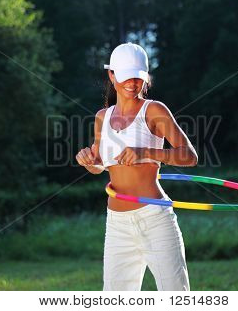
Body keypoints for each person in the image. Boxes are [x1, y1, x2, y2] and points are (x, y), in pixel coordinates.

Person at [75, 42, 198, 291]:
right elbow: (101, 166)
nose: (132, 84)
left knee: (175, 296)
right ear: (111, 75)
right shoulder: (102, 117)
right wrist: (89, 161)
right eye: (125, 77)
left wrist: (146, 153)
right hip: (117, 222)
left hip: (154, 218)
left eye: (138, 78)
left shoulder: (153, 110)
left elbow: (189, 156)